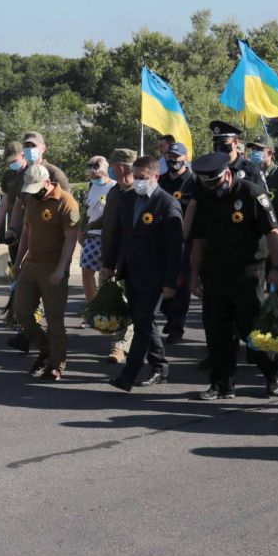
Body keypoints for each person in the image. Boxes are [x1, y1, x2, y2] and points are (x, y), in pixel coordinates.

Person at [188, 151, 278, 400]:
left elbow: (273, 232)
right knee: (217, 332)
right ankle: (222, 384)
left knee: (251, 330)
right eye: (205, 183)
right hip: (215, 274)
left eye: (214, 182)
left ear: (227, 174)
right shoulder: (204, 197)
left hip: (248, 274)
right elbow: (198, 241)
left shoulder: (252, 193)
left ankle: (272, 372)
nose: (210, 187)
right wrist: (193, 274)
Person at [106, 156, 188, 392]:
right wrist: (109, 264)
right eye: (136, 178)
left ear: (156, 177)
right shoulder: (128, 199)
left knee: (142, 325)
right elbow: (118, 234)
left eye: (143, 178)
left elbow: (176, 249)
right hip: (132, 272)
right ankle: (160, 366)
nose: (139, 182)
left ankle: (128, 375)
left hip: (156, 277)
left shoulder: (167, 204)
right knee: (144, 321)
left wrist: (171, 282)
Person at [11, 163, 81, 380]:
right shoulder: (31, 200)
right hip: (31, 265)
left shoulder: (67, 202)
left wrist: (61, 269)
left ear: (48, 182)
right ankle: (45, 348)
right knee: (21, 312)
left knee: (55, 320)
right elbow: (26, 231)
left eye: (38, 189)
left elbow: (71, 239)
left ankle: (56, 363)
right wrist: (18, 261)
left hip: (54, 267)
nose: (35, 194)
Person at [94, 146, 139, 364]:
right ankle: (126, 342)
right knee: (114, 302)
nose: (109, 169)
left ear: (120, 168)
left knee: (125, 302)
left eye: (112, 166)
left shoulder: (137, 194)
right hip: (109, 257)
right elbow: (109, 220)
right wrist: (89, 225)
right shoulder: (114, 191)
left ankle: (122, 345)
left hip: (128, 260)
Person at [155, 141, 196, 344]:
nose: (173, 161)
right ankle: (170, 316)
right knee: (161, 283)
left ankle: (177, 325)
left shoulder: (193, 182)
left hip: (183, 242)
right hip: (160, 241)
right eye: (170, 157)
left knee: (180, 285)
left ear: (185, 158)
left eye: (177, 157)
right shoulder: (160, 181)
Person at [79, 155, 113, 305]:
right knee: (86, 272)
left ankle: (105, 308)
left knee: (106, 275)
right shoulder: (91, 187)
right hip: (90, 236)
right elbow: (86, 210)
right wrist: (81, 230)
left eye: (97, 174)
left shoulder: (114, 187)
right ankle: (92, 306)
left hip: (107, 236)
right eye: (91, 174)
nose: (94, 177)